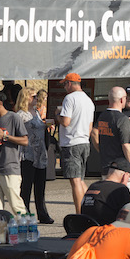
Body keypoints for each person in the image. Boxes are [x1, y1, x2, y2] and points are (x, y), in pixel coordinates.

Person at [57, 72, 95, 214]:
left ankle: (80, 214)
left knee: (75, 182)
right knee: (80, 180)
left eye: (65, 84)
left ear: (69, 84)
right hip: (84, 141)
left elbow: (66, 122)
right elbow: (90, 126)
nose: (64, 88)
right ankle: (92, 208)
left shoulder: (69, 98)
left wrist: (57, 115)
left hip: (72, 143)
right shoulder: (88, 100)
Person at [19, 88, 53, 224]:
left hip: (40, 152)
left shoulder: (37, 112)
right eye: (33, 96)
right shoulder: (21, 115)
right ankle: (25, 213)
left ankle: (42, 213)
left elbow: (39, 127)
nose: (36, 99)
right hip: (27, 153)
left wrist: (47, 126)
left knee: (40, 186)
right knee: (26, 186)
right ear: (26, 98)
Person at [81, 158, 130, 226]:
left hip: (87, 230)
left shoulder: (93, 186)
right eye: (129, 178)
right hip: (108, 232)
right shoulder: (121, 189)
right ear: (125, 175)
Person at [93, 86, 130, 173]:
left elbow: (94, 132)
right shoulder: (122, 119)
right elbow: (126, 145)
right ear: (122, 99)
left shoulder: (102, 116)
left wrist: (101, 149)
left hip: (105, 165)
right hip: (120, 168)